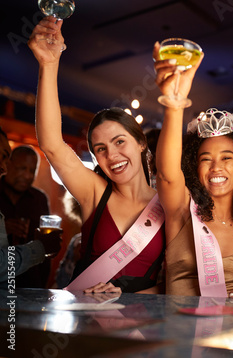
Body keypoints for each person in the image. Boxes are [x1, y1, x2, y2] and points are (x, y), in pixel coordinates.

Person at [28, 17, 165, 294]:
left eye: (119, 141)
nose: (111, 154)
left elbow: (175, 280)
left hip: (146, 327)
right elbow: (52, 144)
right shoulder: (94, 191)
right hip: (88, 323)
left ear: (141, 144)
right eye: (100, 149)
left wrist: (131, 296)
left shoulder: (169, 202)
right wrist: (49, 63)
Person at [153, 42, 233, 298]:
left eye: (227, 157)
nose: (216, 166)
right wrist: (174, 105)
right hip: (182, 336)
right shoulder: (182, 213)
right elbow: (165, 174)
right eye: (206, 158)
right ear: (195, 168)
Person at [0, 127, 61, 284]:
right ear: (8, 164)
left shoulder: (39, 198)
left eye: (32, 171)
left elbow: (46, 251)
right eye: (22, 168)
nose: (27, 176)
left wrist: (41, 286)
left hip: (29, 283)